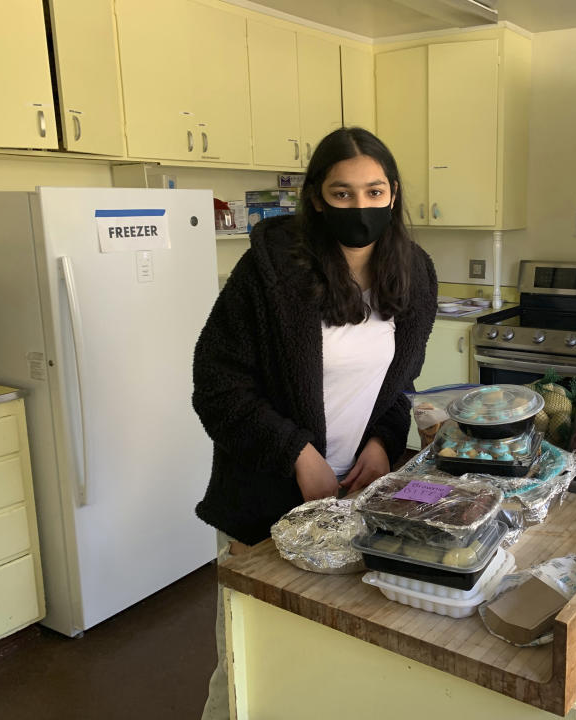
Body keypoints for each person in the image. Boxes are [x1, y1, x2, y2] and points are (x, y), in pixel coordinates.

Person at [191, 127, 438, 719]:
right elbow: (218, 387)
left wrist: (382, 442)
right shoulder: (271, 274)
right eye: (343, 193)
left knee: (333, 655)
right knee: (251, 660)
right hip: (265, 498)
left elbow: (397, 386)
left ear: (394, 193)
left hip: (357, 495)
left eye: (374, 192)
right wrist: (297, 455)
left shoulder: (415, 273)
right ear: (317, 198)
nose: (360, 207)